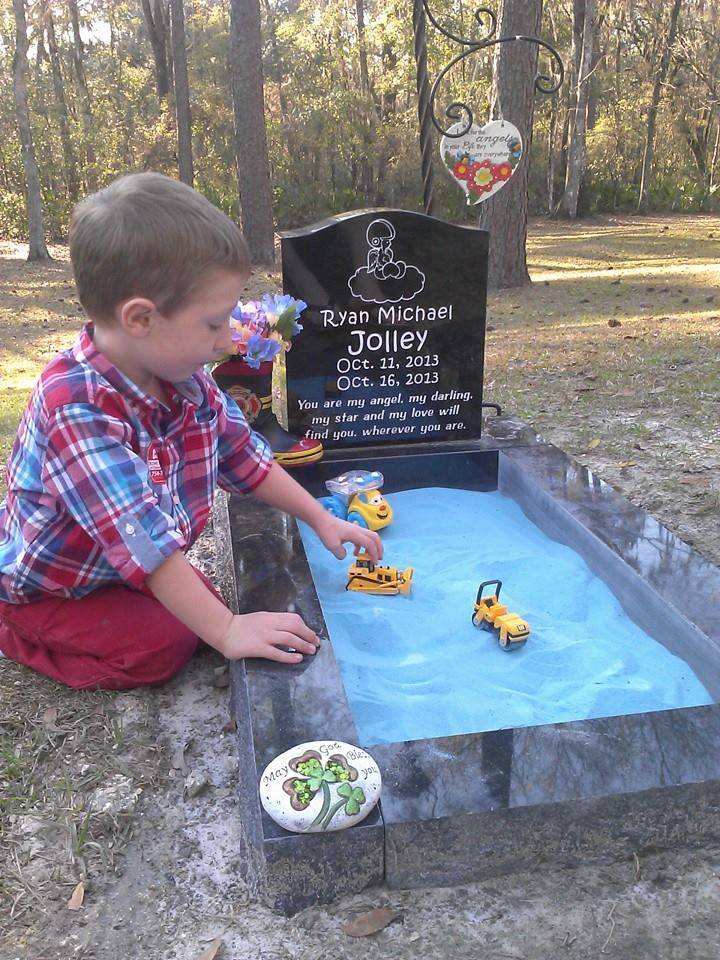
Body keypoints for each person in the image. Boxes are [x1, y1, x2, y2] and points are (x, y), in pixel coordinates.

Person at [0, 172, 382, 691]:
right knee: (165, 647)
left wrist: (319, 518)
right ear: (140, 318)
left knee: (200, 607)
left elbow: (246, 457)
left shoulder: (187, 381)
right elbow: (145, 541)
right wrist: (225, 630)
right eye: (213, 323)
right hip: (56, 586)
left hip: (116, 567)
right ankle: (9, 626)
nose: (229, 339)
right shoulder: (75, 406)